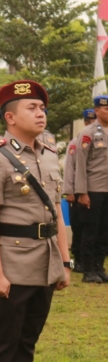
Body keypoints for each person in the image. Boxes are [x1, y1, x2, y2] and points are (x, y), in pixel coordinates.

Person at [0, 79, 70, 362]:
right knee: (4, 344)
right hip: (12, 264)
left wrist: (64, 263)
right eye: (32, 107)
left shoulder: (49, 156)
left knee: (27, 342)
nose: (40, 113)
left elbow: (57, 212)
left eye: (42, 107)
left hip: (46, 262)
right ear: (10, 118)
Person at [74, 95, 108, 284]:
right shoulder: (87, 133)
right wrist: (82, 192)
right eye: (105, 109)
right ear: (96, 111)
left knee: (105, 232)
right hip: (93, 190)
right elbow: (80, 164)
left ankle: (99, 267)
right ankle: (88, 269)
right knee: (90, 231)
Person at [63, 108, 96, 273]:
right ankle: (78, 257)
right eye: (89, 121)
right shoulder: (76, 142)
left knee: (92, 226)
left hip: (95, 188)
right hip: (77, 190)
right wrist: (69, 191)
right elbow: (70, 168)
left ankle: (89, 259)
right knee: (79, 225)